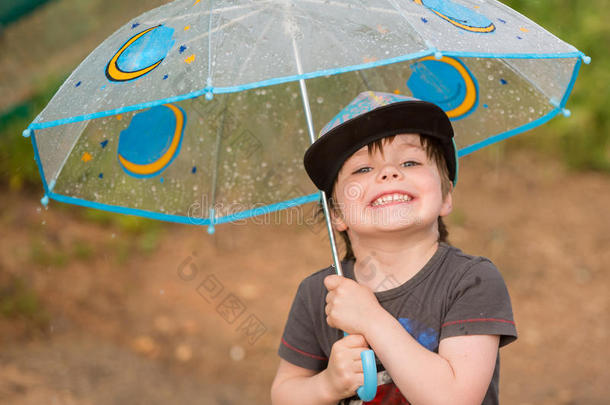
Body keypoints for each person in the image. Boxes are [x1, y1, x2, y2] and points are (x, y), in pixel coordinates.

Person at [271, 91, 517, 405]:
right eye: (362, 170)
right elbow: (284, 393)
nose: (389, 173)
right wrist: (327, 385)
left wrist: (370, 319)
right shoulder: (319, 293)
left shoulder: (471, 281)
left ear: (445, 196)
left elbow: (455, 399)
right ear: (336, 213)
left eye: (410, 161)